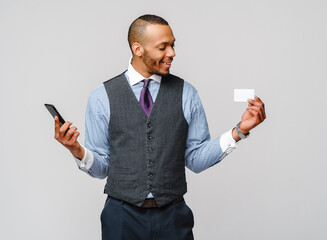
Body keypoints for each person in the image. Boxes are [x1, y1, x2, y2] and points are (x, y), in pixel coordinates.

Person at [54, 14, 266, 240]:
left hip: (173, 216)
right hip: (121, 217)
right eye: (163, 47)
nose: (172, 53)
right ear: (138, 49)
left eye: (172, 45)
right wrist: (76, 150)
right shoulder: (101, 97)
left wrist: (239, 131)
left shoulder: (187, 93)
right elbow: (102, 168)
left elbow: (195, 159)